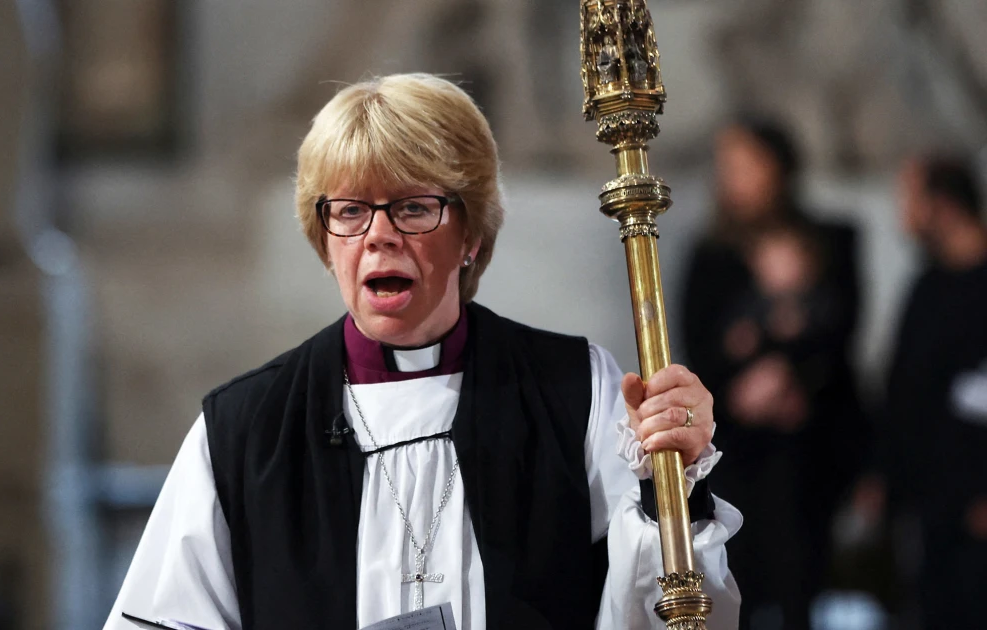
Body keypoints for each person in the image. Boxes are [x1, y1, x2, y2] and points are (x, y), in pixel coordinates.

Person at [103, 73, 741, 630]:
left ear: (470, 231)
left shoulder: (574, 390)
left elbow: (667, 611)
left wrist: (674, 482)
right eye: (350, 211)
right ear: (325, 241)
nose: (379, 236)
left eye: (412, 207)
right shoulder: (245, 431)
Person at [682, 119, 864, 628]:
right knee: (738, 575)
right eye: (726, 167)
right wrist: (747, 383)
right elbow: (700, 345)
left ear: (778, 167)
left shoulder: (829, 240)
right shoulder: (711, 255)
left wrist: (786, 375)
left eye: (745, 164)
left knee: (802, 578)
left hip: (809, 439)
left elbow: (842, 326)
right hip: (737, 446)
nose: (732, 177)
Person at [874, 154, 987, 627]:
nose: (903, 215)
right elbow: (904, 391)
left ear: (942, 205)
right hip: (931, 505)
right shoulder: (926, 287)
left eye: (911, 200)